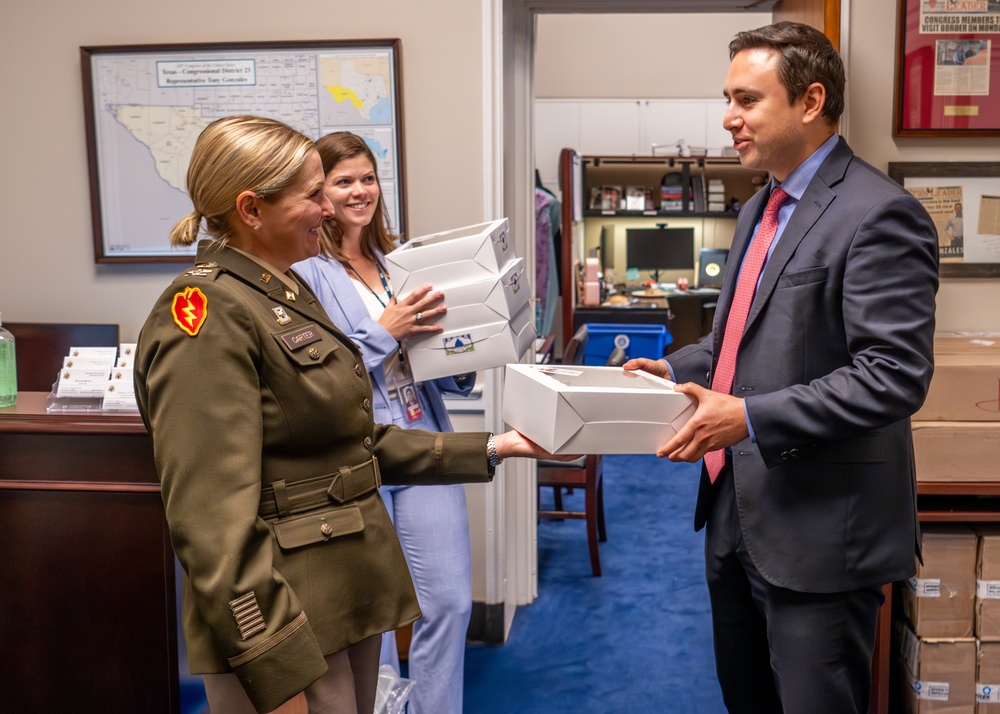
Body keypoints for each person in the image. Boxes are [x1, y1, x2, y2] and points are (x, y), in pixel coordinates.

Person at [133, 115, 557, 714]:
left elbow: (350, 439)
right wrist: (272, 667)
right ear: (252, 209)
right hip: (293, 614)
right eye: (314, 194)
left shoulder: (281, 293)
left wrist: (496, 446)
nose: (329, 209)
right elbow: (212, 527)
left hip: (341, 592)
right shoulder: (205, 315)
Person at [624, 23, 939, 713]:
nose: (728, 118)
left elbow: (894, 374)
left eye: (746, 99)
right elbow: (741, 343)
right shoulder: (760, 209)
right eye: (727, 99)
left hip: (823, 533)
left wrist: (749, 417)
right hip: (738, 516)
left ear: (810, 100)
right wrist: (672, 367)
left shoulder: (879, 214)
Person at [292, 131, 475, 714]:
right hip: (353, 455)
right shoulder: (304, 274)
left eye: (367, 178)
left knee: (449, 603)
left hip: (420, 439)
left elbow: (428, 363)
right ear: (319, 194)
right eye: (343, 181)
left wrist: (464, 352)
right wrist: (385, 331)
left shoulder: (398, 265)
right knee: (374, 620)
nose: (359, 191)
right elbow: (314, 374)